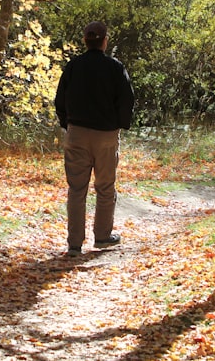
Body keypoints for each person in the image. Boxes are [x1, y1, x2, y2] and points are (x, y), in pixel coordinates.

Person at [54, 20, 134, 257]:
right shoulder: (115, 67)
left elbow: (60, 99)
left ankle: (75, 244)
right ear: (105, 41)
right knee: (105, 187)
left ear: (85, 41)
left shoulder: (73, 67)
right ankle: (101, 237)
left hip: (77, 132)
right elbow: (127, 100)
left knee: (77, 189)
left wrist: (67, 123)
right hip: (106, 135)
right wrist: (119, 125)